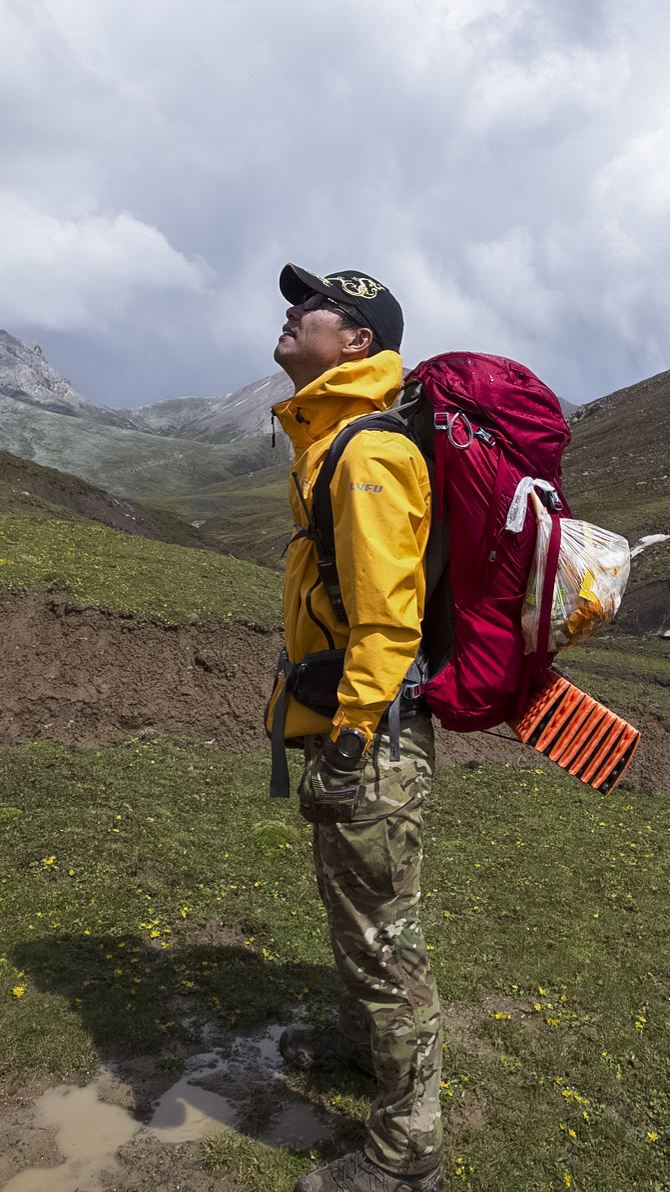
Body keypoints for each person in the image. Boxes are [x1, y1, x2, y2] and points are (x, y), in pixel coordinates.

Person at [267, 264, 444, 1192]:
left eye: (313, 307)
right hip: (357, 732)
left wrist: (349, 737)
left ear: (358, 344)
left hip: (369, 739)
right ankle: (355, 1044)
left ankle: (407, 1158)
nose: (292, 313)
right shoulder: (334, 441)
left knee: (388, 945)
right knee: (356, 916)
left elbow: (388, 621)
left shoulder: (368, 455)